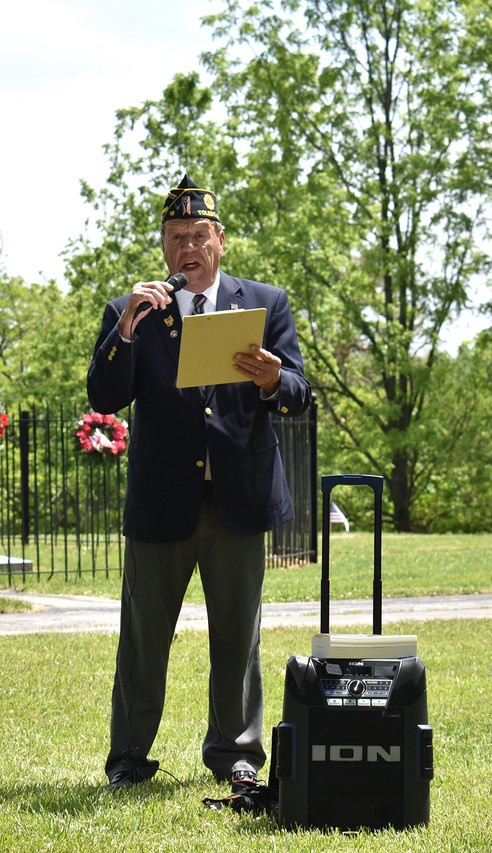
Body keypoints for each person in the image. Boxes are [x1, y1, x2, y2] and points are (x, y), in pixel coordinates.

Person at [87, 174, 312, 792]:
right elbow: (104, 395)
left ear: (220, 242)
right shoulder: (133, 310)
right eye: (175, 237)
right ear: (164, 246)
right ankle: (129, 756)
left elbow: (300, 397)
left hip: (236, 499)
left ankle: (236, 754)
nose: (187, 247)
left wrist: (272, 378)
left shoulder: (264, 304)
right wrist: (127, 328)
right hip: (162, 501)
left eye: (198, 236)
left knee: (238, 638)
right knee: (142, 638)